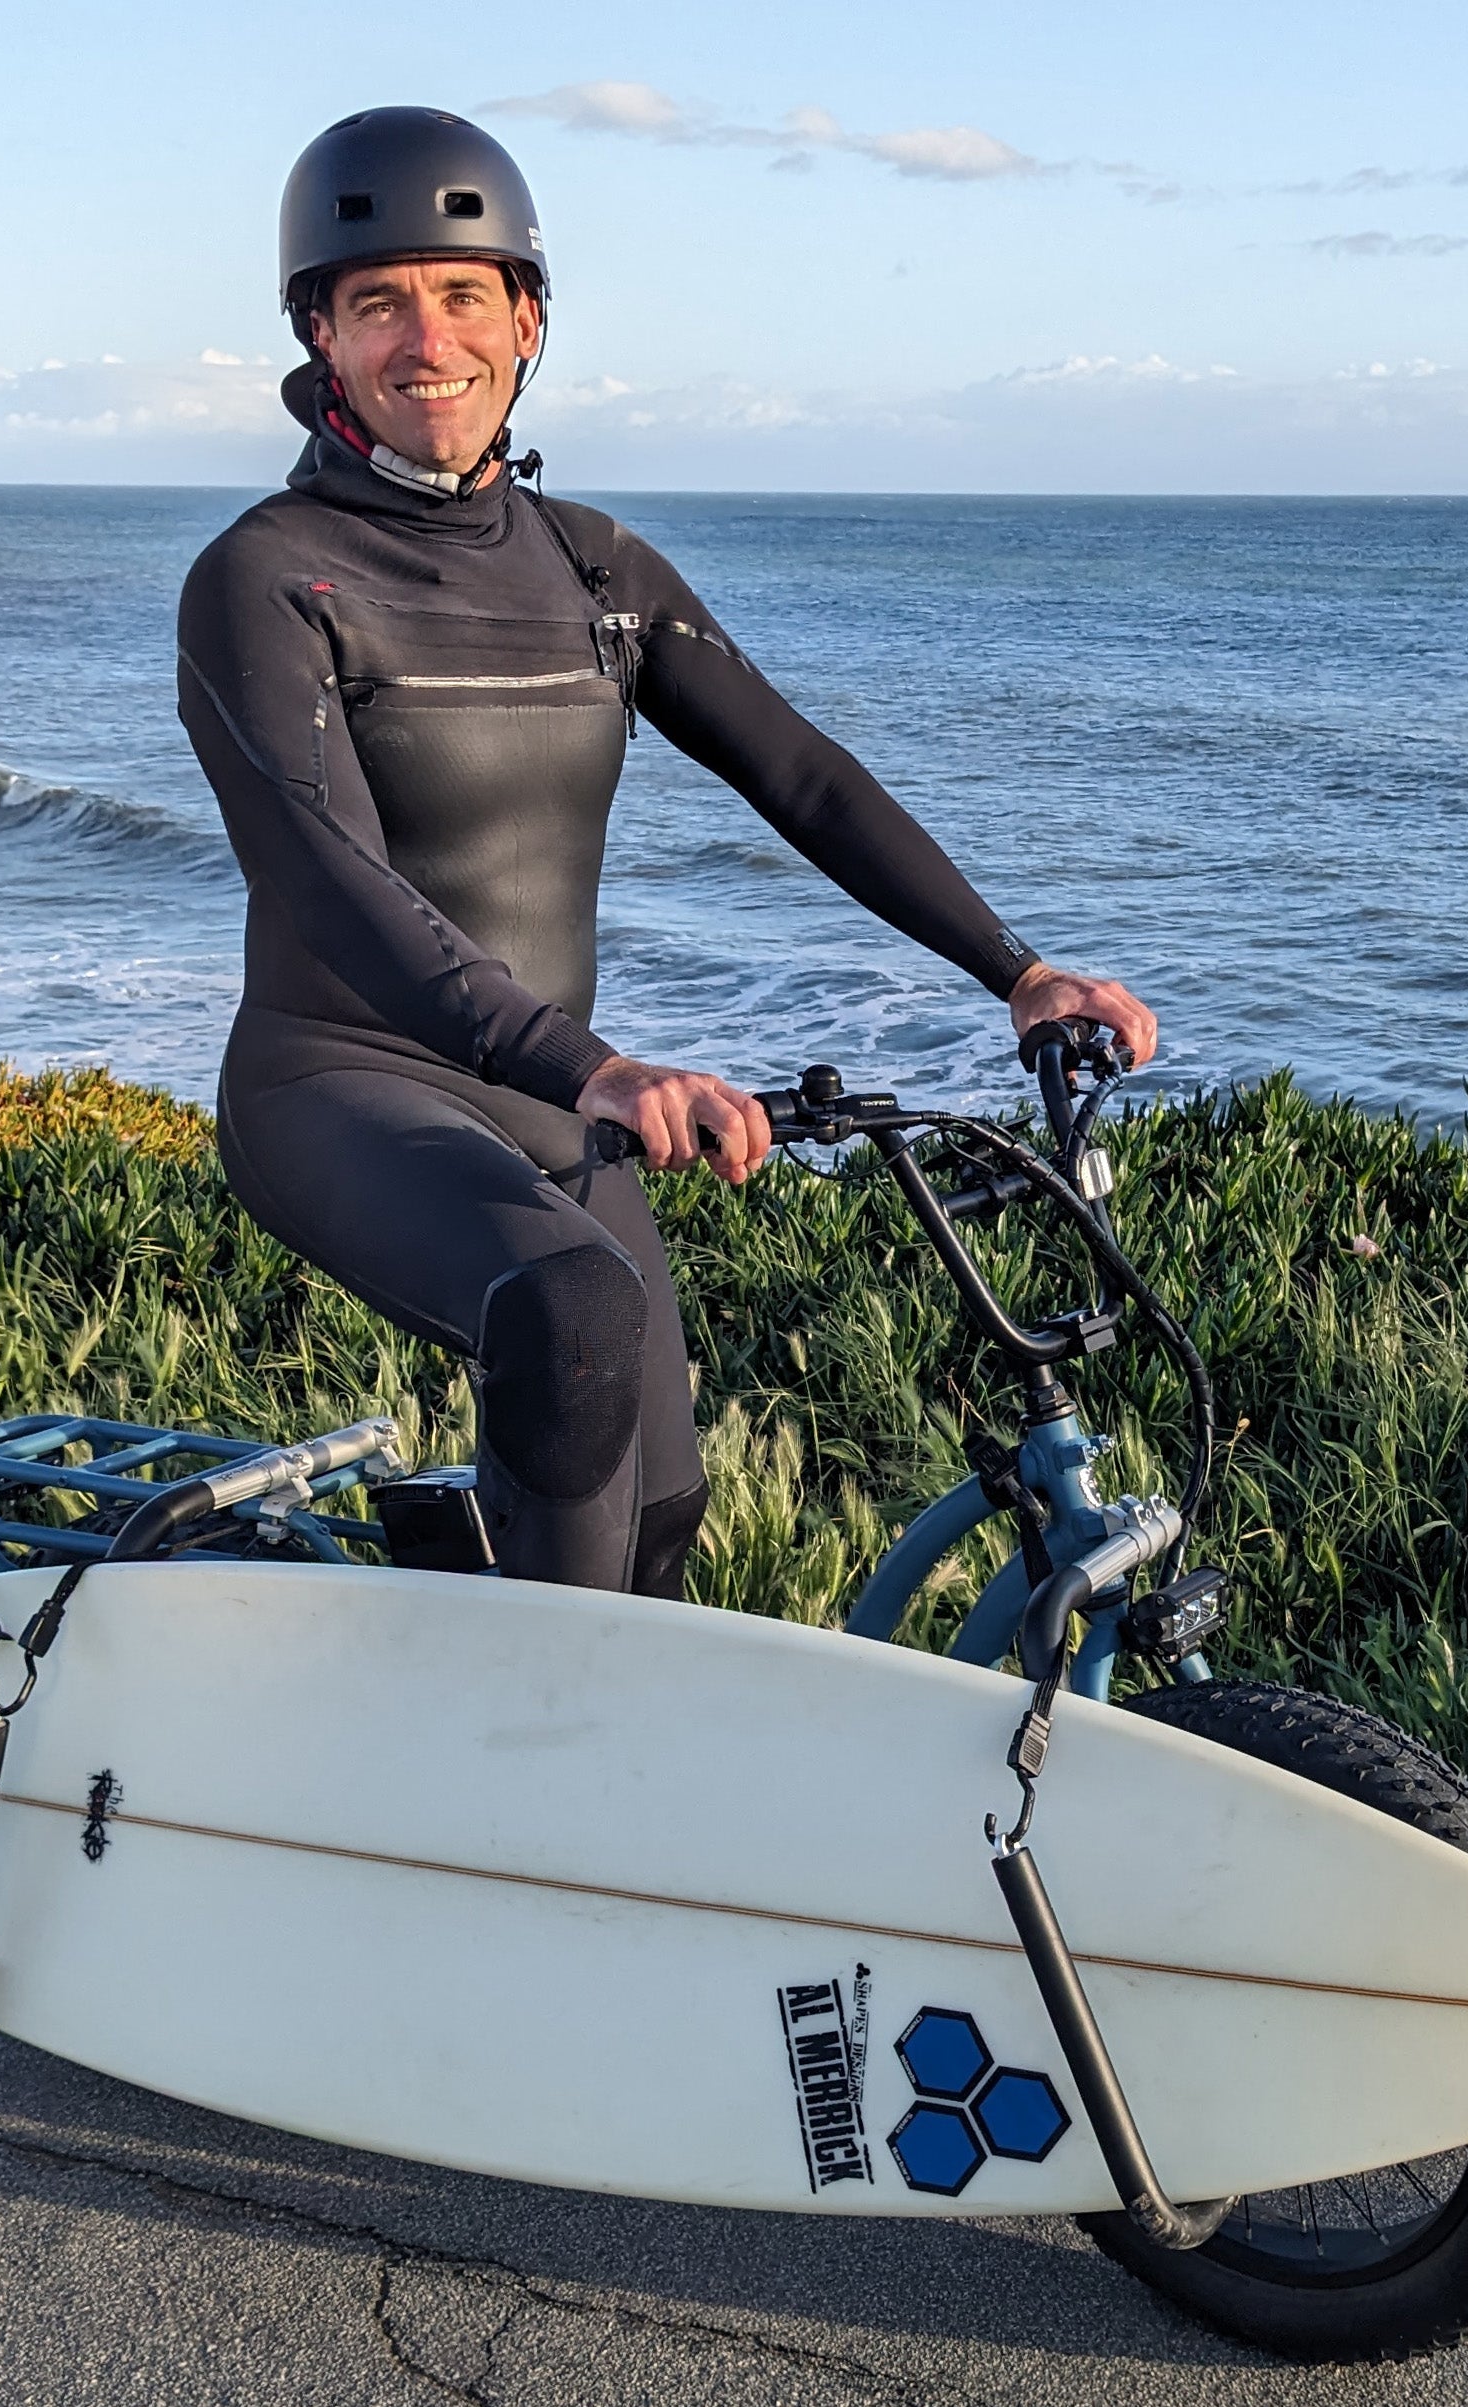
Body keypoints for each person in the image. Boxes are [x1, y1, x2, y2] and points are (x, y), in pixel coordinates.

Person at [179, 106, 1160, 1598]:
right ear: (322, 333)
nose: (427, 340)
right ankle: (528, 1737)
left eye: (463, 295)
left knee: (654, 1514)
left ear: (527, 321)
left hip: (548, 1096)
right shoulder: (265, 576)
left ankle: (495, 1688)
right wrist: (596, 1068)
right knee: (571, 1316)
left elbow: (800, 776)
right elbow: (333, 881)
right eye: (379, 302)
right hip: (340, 1083)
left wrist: (1014, 971)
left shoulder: (596, 568)